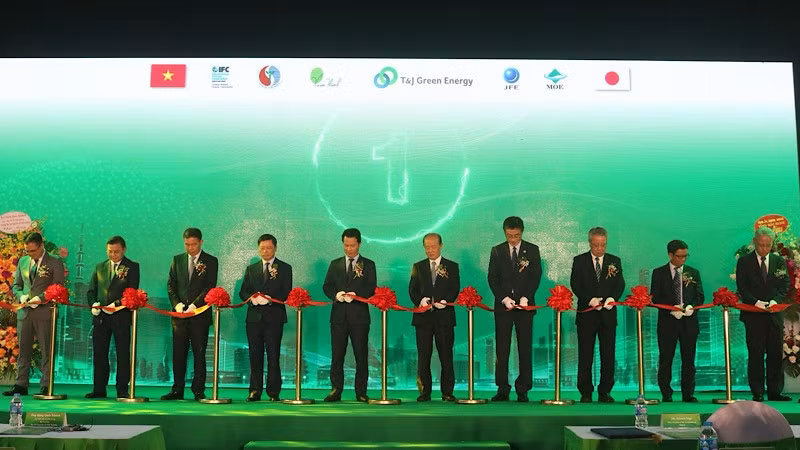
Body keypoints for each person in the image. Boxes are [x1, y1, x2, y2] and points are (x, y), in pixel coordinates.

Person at [487, 216, 542, 402]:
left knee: (524, 348)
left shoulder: (532, 250)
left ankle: (523, 388)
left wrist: (526, 296)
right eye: (509, 236)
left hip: (525, 307)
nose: (513, 239)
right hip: (504, 308)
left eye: (516, 235)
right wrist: (504, 298)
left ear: (522, 232)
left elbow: (535, 276)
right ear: (504, 232)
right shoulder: (497, 251)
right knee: (502, 349)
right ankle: (502, 388)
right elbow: (492, 278)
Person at [5, 232, 65, 396]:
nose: (30, 254)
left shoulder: (55, 261)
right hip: (25, 312)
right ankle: (20, 384)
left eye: (33, 251)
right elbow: (16, 285)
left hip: (45, 312)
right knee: (23, 350)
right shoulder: (23, 261)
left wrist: (40, 298)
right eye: (27, 251)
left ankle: (46, 385)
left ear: (41, 246)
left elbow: (58, 287)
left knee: (47, 350)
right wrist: (21, 296)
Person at [161, 228, 218, 401]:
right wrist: (177, 304)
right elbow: (171, 284)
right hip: (179, 317)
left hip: (199, 315)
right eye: (187, 244)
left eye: (193, 244)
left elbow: (210, 286)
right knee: (178, 354)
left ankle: (198, 390)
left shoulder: (211, 261)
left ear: (201, 242)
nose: (190, 248)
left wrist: (194, 305)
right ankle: (177, 389)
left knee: (199, 354)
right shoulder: (177, 260)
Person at [570, 227, 625, 403]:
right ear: (590, 243)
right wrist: (589, 299)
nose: (600, 249)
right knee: (585, 354)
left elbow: (620, 285)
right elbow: (575, 284)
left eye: (603, 245)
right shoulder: (579, 261)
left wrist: (612, 298)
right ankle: (585, 392)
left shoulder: (614, 261)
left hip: (608, 316)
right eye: (596, 245)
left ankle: (605, 391)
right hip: (587, 315)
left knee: (608, 354)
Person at [322, 228, 376, 402]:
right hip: (338, 317)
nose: (349, 249)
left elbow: (371, 288)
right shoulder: (335, 263)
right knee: (337, 355)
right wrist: (336, 295)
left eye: (352, 245)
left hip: (359, 317)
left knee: (361, 355)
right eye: (346, 245)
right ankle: (336, 390)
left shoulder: (369, 264)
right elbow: (327, 286)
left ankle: (361, 392)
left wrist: (355, 294)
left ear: (359, 244)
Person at [736, 227, 791, 402]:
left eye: (768, 245)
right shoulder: (744, 261)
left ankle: (775, 391)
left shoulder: (778, 261)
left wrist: (775, 301)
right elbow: (742, 287)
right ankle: (757, 391)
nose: (764, 249)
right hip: (754, 316)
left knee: (775, 354)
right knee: (756, 354)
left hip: (774, 315)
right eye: (761, 245)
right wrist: (756, 303)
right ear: (754, 242)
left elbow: (785, 285)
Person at [238, 234, 292, 402]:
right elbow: (243, 291)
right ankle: (255, 391)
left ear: (275, 248)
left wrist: (269, 298)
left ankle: (273, 392)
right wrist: (252, 299)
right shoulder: (251, 269)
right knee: (255, 355)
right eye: (262, 248)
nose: (265, 251)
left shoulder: (284, 268)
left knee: (273, 355)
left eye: (268, 248)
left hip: (274, 318)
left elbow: (286, 292)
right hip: (254, 319)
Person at [85, 236, 140, 399]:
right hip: (101, 318)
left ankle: (122, 389)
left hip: (121, 317)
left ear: (124, 249)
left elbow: (132, 291)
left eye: (116, 252)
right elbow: (91, 291)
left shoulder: (132, 267)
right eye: (110, 251)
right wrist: (93, 305)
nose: (113, 255)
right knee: (99, 353)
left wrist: (115, 305)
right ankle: (99, 389)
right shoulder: (99, 266)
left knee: (123, 354)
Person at [650, 240, 704, 403]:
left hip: (689, 322)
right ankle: (666, 392)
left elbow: (700, 296)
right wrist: (671, 309)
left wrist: (691, 307)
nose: (683, 260)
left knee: (689, 359)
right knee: (666, 358)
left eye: (685, 256)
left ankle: (688, 393)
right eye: (679, 256)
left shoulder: (693, 272)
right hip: (667, 322)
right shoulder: (659, 273)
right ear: (670, 255)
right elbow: (655, 296)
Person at [409, 233, 460, 402]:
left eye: (433, 246)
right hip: (423, 319)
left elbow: (454, 288)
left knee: (446, 355)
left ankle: (447, 392)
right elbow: (412, 289)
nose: (430, 250)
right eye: (427, 247)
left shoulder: (451, 266)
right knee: (424, 355)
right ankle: (425, 391)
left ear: (441, 246)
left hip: (444, 317)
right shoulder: (418, 266)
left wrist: (446, 301)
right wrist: (420, 300)